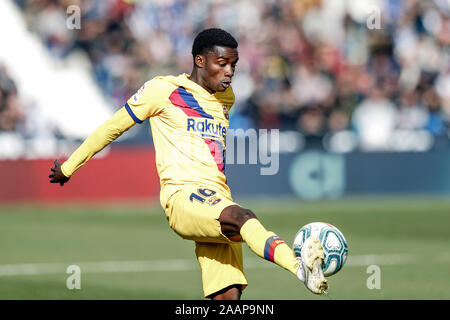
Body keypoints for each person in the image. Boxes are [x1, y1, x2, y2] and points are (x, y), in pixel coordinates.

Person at [49, 28, 327, 300]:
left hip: (216, 199)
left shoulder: (225, 99)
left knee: (228, 296)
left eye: (234, 64)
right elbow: (112, 127)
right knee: (242, 217)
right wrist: (69, 166)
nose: (230, 71)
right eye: (222, 63)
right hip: (182, 197)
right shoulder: (162, 90)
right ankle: (299, 266)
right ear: (200, 61)